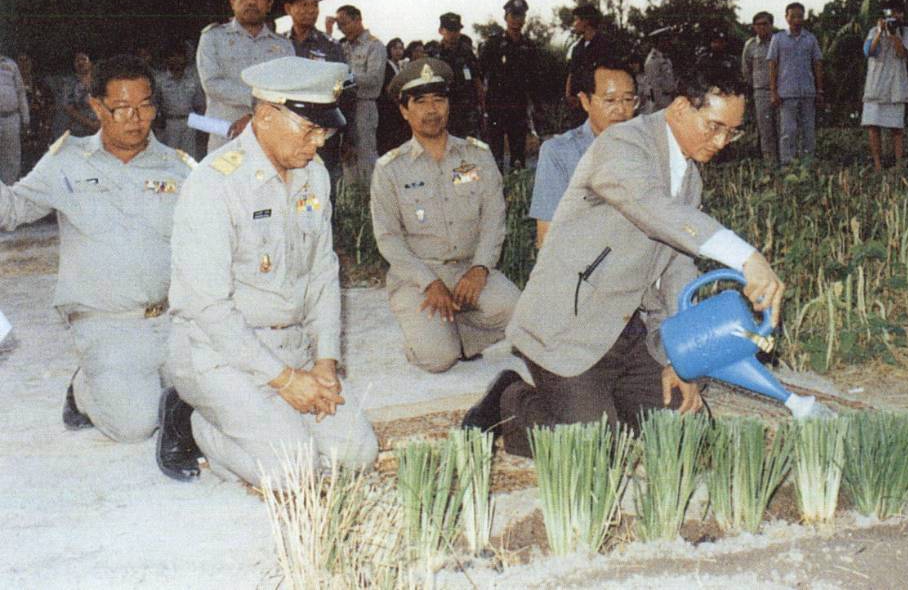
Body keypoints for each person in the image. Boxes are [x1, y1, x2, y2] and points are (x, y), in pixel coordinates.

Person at [462, 63, 786, 457]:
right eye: (714, 126)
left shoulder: (690, 177)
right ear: (682, 108)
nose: (721, 142)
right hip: (568, 329)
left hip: (631, 335)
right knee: (594, 450)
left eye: (732, 131)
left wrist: (680, 359)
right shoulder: (623, 144)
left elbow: (677, 270)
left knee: (687, 439)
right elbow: (655, 209)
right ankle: (510, 402)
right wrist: (747, 258)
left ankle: (606, 405)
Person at [168, 56, 378, 488]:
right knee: (295, 470)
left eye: (325, 130)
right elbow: (208, 308)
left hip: (293, 345)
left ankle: (268, 416)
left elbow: (323, 273)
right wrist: (284, 381)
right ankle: (199, 425)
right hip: (219, 354)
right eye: (310, 129)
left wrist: (324, 361)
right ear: (265, 115)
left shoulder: (312, 176)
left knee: (356, 456)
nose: (318, 142)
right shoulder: (214, 185)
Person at [0, 55, 201, 480]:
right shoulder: (66, 162)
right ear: (96, 107)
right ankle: (85, 389)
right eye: (121, 109)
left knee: (227, 393)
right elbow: (14, 208)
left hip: (172, 320)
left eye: (145, 106)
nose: (135, 119)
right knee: (134, 425)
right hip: (105, 324)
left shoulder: (180, 168)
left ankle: (147, 383)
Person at [370, 58, 519, 373]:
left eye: (439, 100)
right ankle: (435, 338)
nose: (431, 110)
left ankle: (459, 334)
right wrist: (429, 282)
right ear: (404, 111)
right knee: (438, 360)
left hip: (469, 270)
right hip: (418, 278)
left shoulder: (477, 155)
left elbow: (494, 219)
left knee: (520, 312)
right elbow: (388, 239)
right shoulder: (390, 169)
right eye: (420, 102)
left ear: (448, 105)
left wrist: (480, 268)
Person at [528, 56, 638, 247]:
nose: (621, 109)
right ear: (585, 101)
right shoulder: (560, 153)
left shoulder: (645, 148)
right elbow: (547, 237)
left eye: (628, 100)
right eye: (610, 100)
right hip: (584, 266)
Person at [196, 0, 291, 149]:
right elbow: (212, 83)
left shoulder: (284, 46)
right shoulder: (213, 37)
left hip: (268, 135)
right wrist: (256, 100)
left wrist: (254, 117)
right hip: (225, 134)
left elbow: (287, 91)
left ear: (269, 4)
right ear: (233, 2)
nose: (252, 1)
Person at [283, 0, 351, 196]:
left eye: (314, 5)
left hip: (322, 133)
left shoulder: (331, 46)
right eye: (303, 5)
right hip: (286, 130)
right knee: (288, 189)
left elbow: (345, 92)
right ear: (288, 9)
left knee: (322, 190)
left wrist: (347, 136)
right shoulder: (278, 45)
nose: (310, 11)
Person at [480, 0, 538, 171]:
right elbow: (481, 74)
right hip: (496, 107)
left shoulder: (529, 46)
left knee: (518, 158)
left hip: (518, 108)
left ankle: (516, 194)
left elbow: (534, 79)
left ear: (525, 19)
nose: (516, 21)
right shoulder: (493, 44)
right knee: (495, 157)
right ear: (506, 18)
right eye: (513, 16)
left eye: (520, 17)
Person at [332, 4, 387, 185]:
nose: (342, 29)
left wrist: (344, 78)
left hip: (364, 105)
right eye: (339, 26)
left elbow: (374, 78)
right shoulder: (343, 46)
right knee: (346, 155)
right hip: (343, 105)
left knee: (365, 153)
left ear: (358, 20)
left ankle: (370, 197)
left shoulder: (374, 45)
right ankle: (352, 199)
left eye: (345, 24)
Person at [767, 2, 824, 166]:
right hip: (786, 92)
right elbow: (772, 65)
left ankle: (808, 163)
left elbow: (817, 64)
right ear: (786, 18)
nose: (796, 20)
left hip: (807, 92)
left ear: (803, 17)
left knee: (808, 131)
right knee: (788, 131)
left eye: (800, 16)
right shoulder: (778, 39)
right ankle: (788, 163)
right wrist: (773, 91)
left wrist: (819, 90)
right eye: (793, 16)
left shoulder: (810, 39)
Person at [861, 5, 908, 171]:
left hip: (895, 86)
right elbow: (869, 52)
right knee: (873, 125)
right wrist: (879, 32)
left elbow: (903, 54)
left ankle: (899, 164)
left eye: (897, 13)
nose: (894, 17)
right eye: (890, 14)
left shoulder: (907, 32)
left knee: (896, 128)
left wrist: (893, 35)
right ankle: (878, 164)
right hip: (875, 85)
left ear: (902, 14)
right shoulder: (873, 31)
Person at [426, 13, 484, 139]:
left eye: (456, 30)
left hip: (467, 109)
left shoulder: (467, 52)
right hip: (443, 109)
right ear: (441, 31)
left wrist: (481, 104)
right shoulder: (433, 54)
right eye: (450, 30)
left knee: (468, 147)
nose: (453, 34)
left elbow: (476, 80)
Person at [741, 11, 779, 163]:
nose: (762, 27)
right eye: (758, 24)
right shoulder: (750, 45)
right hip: (761, 92)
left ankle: (785, 164)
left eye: (765, 24)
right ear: (754, 27)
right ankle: (770, 164)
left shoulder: (778, 42)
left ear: (771, 25)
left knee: (782, 129)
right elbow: (746, 69)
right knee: (765, 131)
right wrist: (757, 85)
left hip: (780, 92)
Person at [154, 43, 202, 155]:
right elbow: (154, 103)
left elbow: (200, 104)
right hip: (169, 124)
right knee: (169, 157)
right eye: (172, 56)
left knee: (189, 159)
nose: (176, 60)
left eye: (180, 56)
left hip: (190, 123)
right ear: (166, 59)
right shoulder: (160, 80)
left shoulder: (193, 80)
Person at [564, 5, 611, 113]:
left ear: (585, 22)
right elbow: (572, 73)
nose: (574, 24)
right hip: (578, 105)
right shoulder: (577, 48)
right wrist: (568, 95)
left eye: (576, 20)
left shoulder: (604, 45)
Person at [16, 53, 53, 175]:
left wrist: (47, 126)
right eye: (20, 61)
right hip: (19, 132)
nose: (24, 64)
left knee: (43, 168)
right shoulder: (12, 86)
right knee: (22, 169)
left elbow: (51, 105)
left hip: (41, 131)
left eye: (26, 61)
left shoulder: (41, 84)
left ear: (31, 63)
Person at [376, 39, 411, 155]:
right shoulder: (386, 66)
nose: (398, 51)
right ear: (389, 49)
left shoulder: (402, 66)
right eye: (395, 48)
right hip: (388, 108)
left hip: (400, 108)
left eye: (401, 48)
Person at [0, 47, 30, 184]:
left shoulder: (11, 64)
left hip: (11, 118)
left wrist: (25, 119)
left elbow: (21, 92)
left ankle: (9, 191)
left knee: (12, 158)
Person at [638, 28, 677, 114]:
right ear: (658, 42)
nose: (668, 43)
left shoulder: (665, 58)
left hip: (669, 99)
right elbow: (655, 90)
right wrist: (665, 108)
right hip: (660, 105)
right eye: (665, 40)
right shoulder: (653, 61)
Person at [63, 51, 100, 138]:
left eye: (84, 59)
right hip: (79, 131)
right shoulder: (70, 83)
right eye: (77, 60)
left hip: (102, 129)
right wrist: (90, 124)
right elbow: (68, 108)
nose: (80, 62)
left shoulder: (100, 80)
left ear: (90, 62)